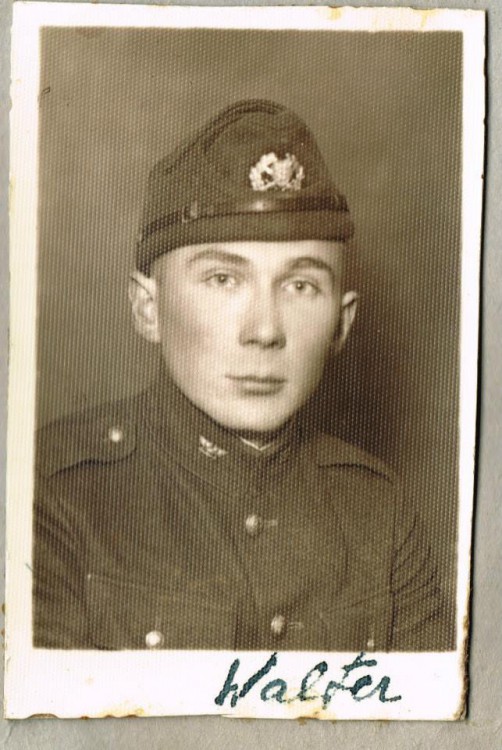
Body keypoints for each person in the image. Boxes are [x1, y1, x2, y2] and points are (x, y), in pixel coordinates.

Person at [33, 99, 453, 651]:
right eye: (223, 279)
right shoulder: (53, 493)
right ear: (148, 308)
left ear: (342, 322)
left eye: (300, 286)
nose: (264, 330)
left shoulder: (379, 511)